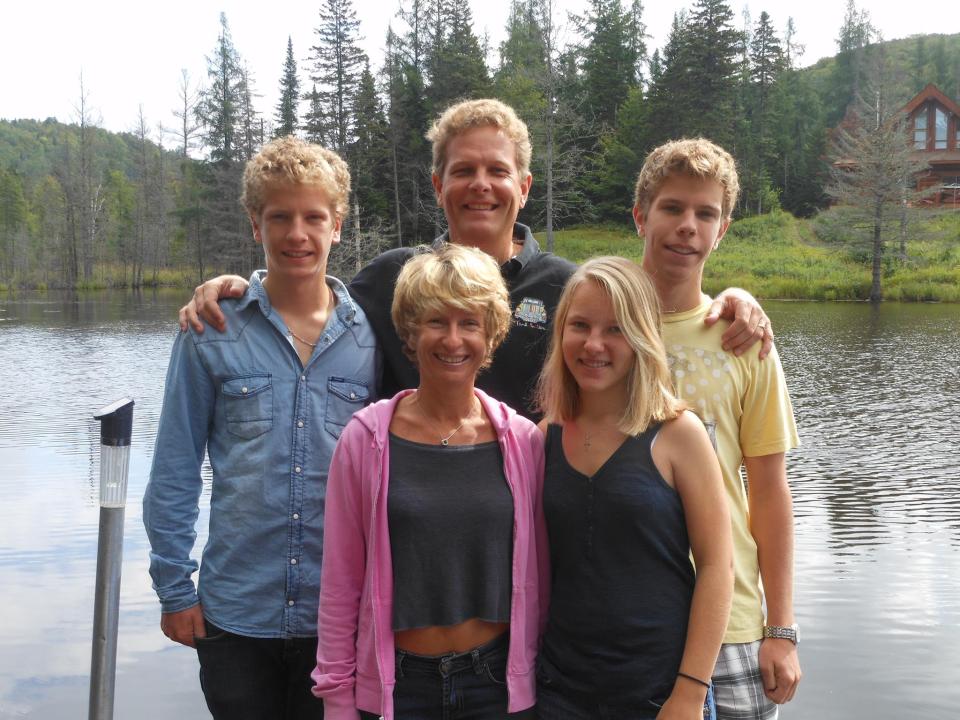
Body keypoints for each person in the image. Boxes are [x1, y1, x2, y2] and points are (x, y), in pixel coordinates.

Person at [178, 99, 773, 420]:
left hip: (537, 530)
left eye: (498, 171)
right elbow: (306, 303)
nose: (481, 185)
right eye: (464, 170)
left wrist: (732, 299)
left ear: (526, 186)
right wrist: (238, 286)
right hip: (410, 521)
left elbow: (647, 321)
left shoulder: (567, 285)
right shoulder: (391, 278)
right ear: (439, 185)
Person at [143, 136, 379, 719]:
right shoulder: (211, 329)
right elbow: (175, 468)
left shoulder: (370, 340)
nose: (297, 233)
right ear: (256, 224)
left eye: (313, 217)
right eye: (280, 217)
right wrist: (175, 588)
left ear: (338, 225)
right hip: (234, 615)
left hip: (340, 618)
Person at [311, 244, 546, 720]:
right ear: (411, 333)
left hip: (496, 684)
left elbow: (544, 572)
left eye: (469, 323)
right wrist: (337, 697)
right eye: (436, 322)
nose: (453, 340)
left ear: (492, 334)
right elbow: (340, 583)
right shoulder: (365, 440)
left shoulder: (523, 442)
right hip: (401, 685)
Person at [633, 138, 801, 720]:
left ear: (722, 229)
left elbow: (771, 491)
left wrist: (781, 628)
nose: (688, 227)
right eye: (672, 208)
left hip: (734, 626)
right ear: (641, 216)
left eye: (705, 214)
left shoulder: (745, 341)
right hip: (627, 620)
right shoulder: (599, 331)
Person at [534, 256, 733, 719]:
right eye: (580, 325)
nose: (594, 344)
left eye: (616, 329)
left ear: (643, 336)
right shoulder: (544, 436)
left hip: (659, 692)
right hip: (561, 691)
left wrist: (688, 692)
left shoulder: (679, 434)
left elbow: (717, 567)